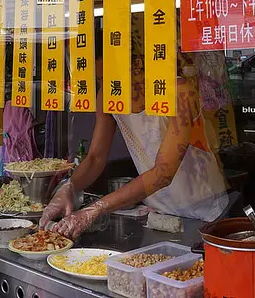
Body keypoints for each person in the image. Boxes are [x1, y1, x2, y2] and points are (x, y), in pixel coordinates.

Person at [39, 29, 228, 238]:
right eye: (99, 79)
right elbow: (95, 157)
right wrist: (71, 186)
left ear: (136, 64)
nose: (105, 86)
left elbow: (163, 172)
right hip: (158, 214)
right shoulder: (107, 96)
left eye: (109, 77)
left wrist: (96, 208)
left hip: (205, 211)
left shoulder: (178, 92)